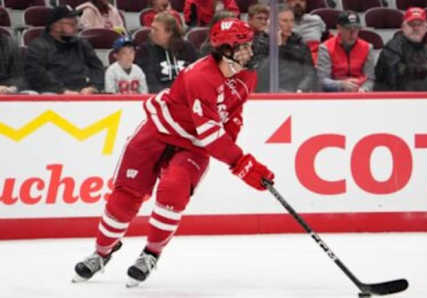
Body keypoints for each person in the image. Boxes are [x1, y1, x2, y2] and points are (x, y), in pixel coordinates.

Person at [73, 17, 275, 288]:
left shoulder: (248, 75)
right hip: (158, 132)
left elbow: (233, 114)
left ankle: (151, 254)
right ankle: (101, 253)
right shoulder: (200, 77)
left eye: (249, 45)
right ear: (226, 51)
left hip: (194, 146)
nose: (250, 51)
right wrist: (240, 163)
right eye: (243, 46)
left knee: (173, 190)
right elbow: (211, 134)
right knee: (125, 198)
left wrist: (234, 141)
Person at [374, 7, 427, 91]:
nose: (416, 28)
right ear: (403, 27)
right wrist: (425, 69)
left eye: (420, 24)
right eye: (411, 24)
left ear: (426, 28)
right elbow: (393, 75)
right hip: (397, 100)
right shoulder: (392, 48)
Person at [24, 5, 105, 94]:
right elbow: (37, 75)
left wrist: (93, 86)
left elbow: (97, 67)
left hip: (84, 93)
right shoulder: (38, 46)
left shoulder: (82, 44)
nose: (76, 27)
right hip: (53, 96)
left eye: (76, 22)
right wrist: (62, 91)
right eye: (71, 24)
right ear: (55, 26)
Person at [255, 5, 318, 92]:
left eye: (292, 21)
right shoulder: (260, 42)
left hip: (297, 92)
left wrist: (301, 89)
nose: (290, 25)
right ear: (273, 23)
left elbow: (310, 71)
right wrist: (277, 47)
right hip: (270, 93)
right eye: (285, 21)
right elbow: (260, 75)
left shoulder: (299, 43)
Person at [136, 12, 198, 93]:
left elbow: (196, 75)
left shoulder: (187, 48)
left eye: (156, 30)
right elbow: (150, 81)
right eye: (152, 28)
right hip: (159, 98)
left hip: (187, 96)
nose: (151, 33)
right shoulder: (144, 50)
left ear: (169, 33)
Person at [317, 11, 375, 92]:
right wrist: (341, 85)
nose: (353, 33)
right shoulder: (326, 48)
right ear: (339, 28)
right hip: (334, 95)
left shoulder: (367, 47)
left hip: (359, 93)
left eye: (356, 29)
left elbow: (370, 79)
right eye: (348, 29)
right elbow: (322, 80)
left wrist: (364, 89)